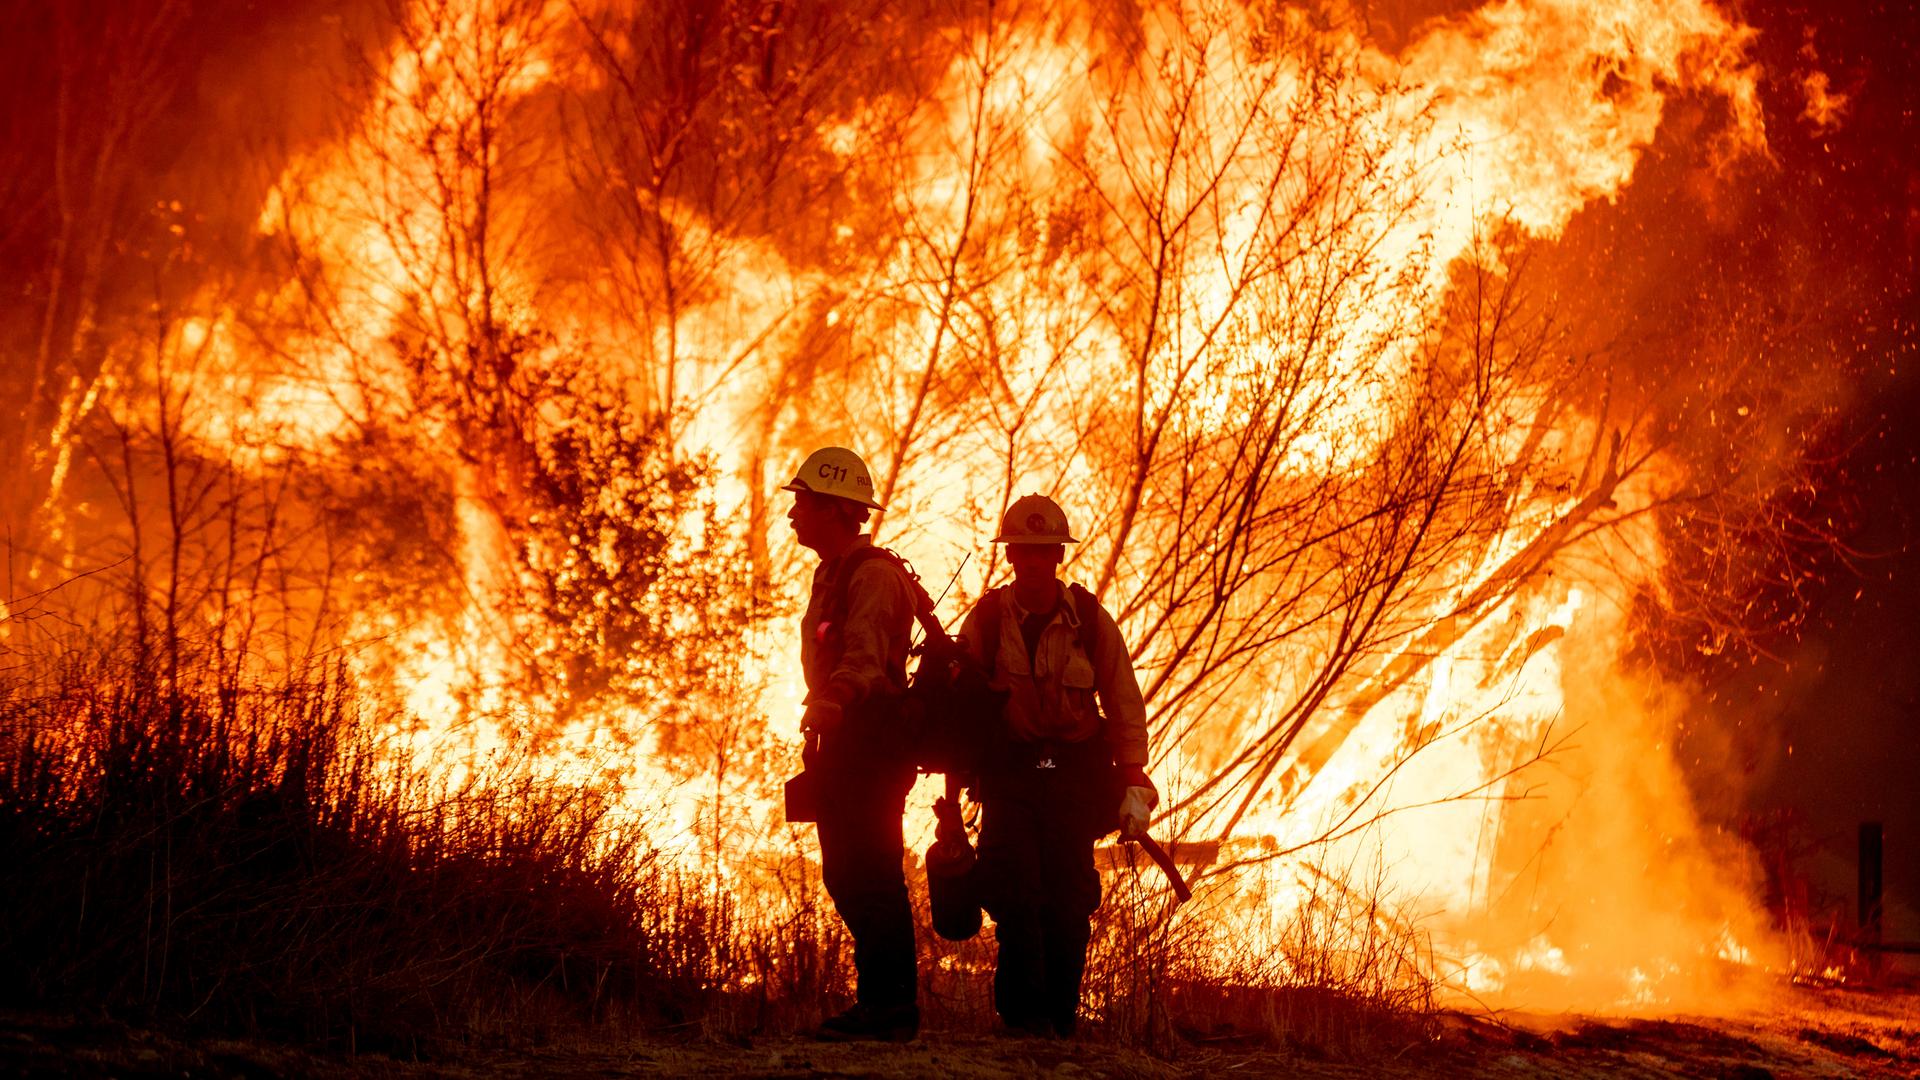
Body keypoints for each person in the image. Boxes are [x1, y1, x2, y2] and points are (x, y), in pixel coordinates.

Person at [957, 494, 1159, 1039]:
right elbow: (958, 705)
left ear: (1058, 555)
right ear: (1010, 555)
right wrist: (955, 786)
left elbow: (1124, 701)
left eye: (1043, 550)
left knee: (1069, 898)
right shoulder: (987, 621)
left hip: (1072, 777)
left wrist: (1133, 778)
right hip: (1012, 775)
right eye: (1023, 550)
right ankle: (1022, 1020)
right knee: (1014, 893)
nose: (1032, 560)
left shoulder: (1090, 621)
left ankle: (1061, 1019)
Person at [782, 446, 922, 1042]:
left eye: (804, 503)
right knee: (845, 874)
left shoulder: (873, 576)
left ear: (836, 509)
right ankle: (880, 1004)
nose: (793, 514)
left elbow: (864, 657)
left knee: (872, 873)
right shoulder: (831, 573)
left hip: (872, 742)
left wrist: (834, 698)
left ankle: (890, 1009)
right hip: (842, 742)